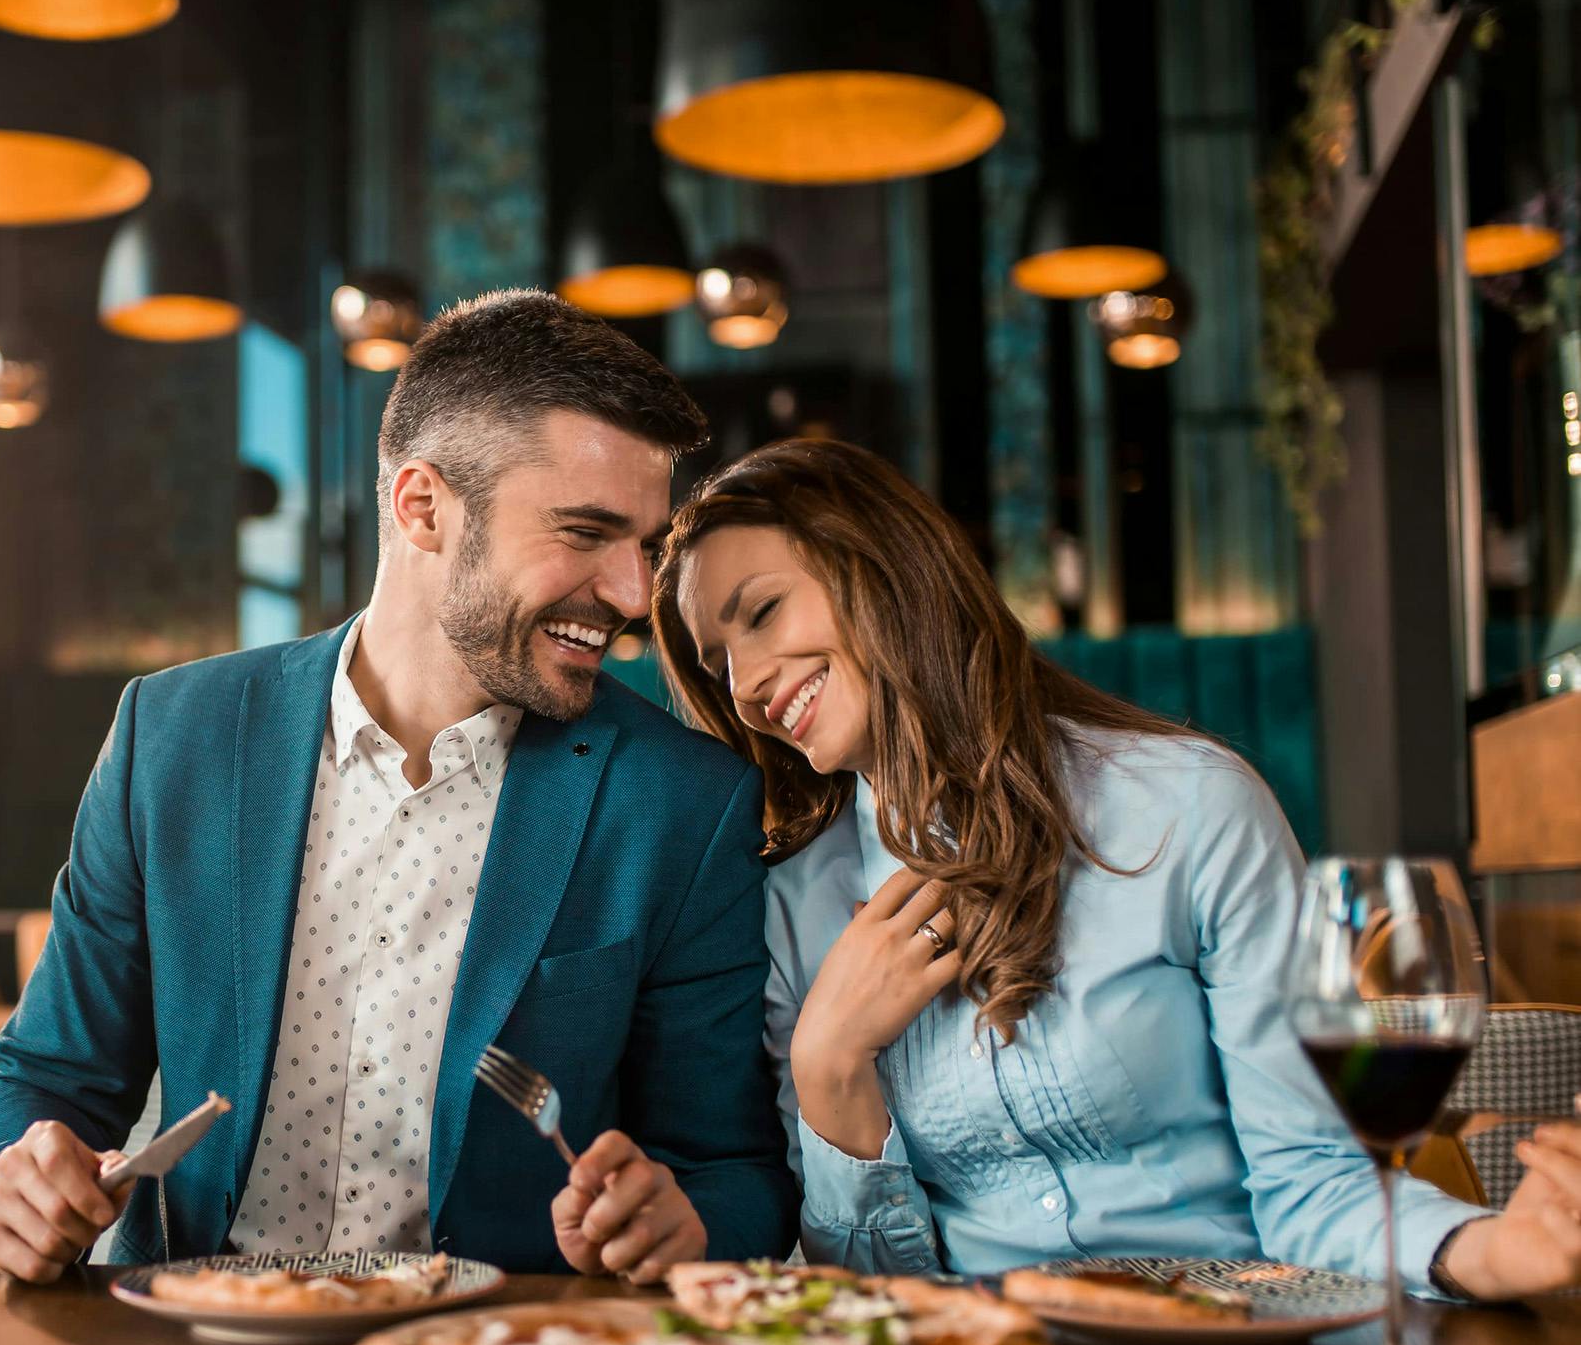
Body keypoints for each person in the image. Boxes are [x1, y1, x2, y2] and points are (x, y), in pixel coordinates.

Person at [0, 290, 796, 1283]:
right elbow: (45, 1080)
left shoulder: (686, 804)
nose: (629, 595)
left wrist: (685, 1221)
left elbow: (735, 1175)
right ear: (422, 506)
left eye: (645, 547)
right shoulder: (171, 737)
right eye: (584, 533)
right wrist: (10, 1182)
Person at [651, 436, 1581, 1301]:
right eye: (718, 660)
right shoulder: (789, 911)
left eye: (764, 612)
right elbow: (874, 1296)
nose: (745, 685)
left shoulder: (1186, 809)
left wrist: (1499, 1249)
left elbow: (1315, 1187)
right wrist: (829, 1064)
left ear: (884, 569)